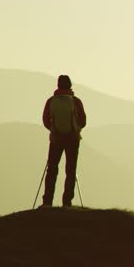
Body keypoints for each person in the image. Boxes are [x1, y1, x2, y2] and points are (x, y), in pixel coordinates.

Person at [40, 74, 87, 207]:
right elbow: (83, 121)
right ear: (70, 85)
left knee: (52, 169)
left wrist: (53, 129)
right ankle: (67, 202)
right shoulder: (76, 101)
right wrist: (76, 128)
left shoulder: (51, 101)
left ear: (58, 85)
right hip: (72, 139)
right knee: (70, 170)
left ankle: (47, 201)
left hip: (56, 140)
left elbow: (45, 119)